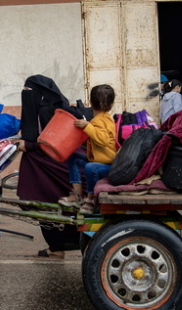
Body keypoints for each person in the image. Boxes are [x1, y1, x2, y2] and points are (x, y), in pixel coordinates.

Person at [15, 74, 81, 259]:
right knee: (47, 207)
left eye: (29, 91)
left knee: (44, 205)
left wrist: (29, 145)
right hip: (44, 169)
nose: (26, 94)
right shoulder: (50, 107)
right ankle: (56, 247)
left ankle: (58, 247)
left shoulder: (49, 111)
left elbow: (52, 142)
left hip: (55, 168)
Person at [57, 84, 117, 214]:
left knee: (91, 167)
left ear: (90, 101)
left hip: (107, 166)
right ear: (112, 104)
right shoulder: (99, 119)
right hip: (97, 160)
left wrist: (87, 127)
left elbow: (103, 140)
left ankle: (90, 199)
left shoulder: (102, 121)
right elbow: (93, 142)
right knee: (73, 157)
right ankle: (77, 195)